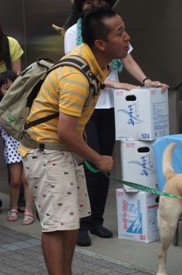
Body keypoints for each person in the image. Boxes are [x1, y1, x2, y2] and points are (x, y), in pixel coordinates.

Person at [18, 6, 129, 275]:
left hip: (62, 151)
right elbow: (66, 131)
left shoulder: (95, 64)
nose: (127, 37)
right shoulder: (77, 75)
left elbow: (69, 129)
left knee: (71, 220)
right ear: (101, 44)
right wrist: (97, 158)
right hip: (46, 151)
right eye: (120, 33)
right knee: (56, 226)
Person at [64, 0, 169, 247]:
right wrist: (114, 83)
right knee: (90, 164)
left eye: (99, 2)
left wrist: (146, 80)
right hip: (86, 107)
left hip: (112, 106)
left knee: (105, 164)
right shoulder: (74, 33)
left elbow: (128, 59)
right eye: (89, 2)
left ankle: (97, 219)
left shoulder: (113, 29)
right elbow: (77, 70)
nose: (94, 6)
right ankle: (83, 222)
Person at [0, 14, 26, 214]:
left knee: (18, 153)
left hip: (12, 105)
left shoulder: (11, 43)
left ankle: (21, 202)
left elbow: (18, 77)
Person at [0, 70, 34, 225]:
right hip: (12, 145)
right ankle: (14, 207)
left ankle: (29, 210)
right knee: (16, 180)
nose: (10, 91)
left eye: (13, 86)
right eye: (5, 88)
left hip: (28, 142)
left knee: (26, 178)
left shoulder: (26, 101)